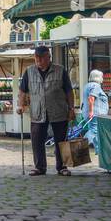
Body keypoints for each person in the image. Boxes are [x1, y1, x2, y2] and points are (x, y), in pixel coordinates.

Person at [16, 45, 77, 176]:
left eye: (41, 58)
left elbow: (69, 91)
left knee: (61, 140)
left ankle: (62, 167)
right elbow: (22, 91)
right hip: (38, 112)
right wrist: (20, 105)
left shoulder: (60, 70)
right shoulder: (29, 71)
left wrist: (72, 108)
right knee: (37, 140)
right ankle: (40, 167)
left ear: (48, 57)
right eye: (36, 58)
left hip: (59, 110)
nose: (38, 61)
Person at [83, 68, 111, 151]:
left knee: (94, 130)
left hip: (88, 112)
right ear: (98, 77)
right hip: (95, 114)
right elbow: (91, 98)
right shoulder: (96, 86)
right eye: (102, 77)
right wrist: (91, 112)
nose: (102, 79)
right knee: (94, 131)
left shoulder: (87, 85)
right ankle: (84, 143)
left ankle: (97, 149)